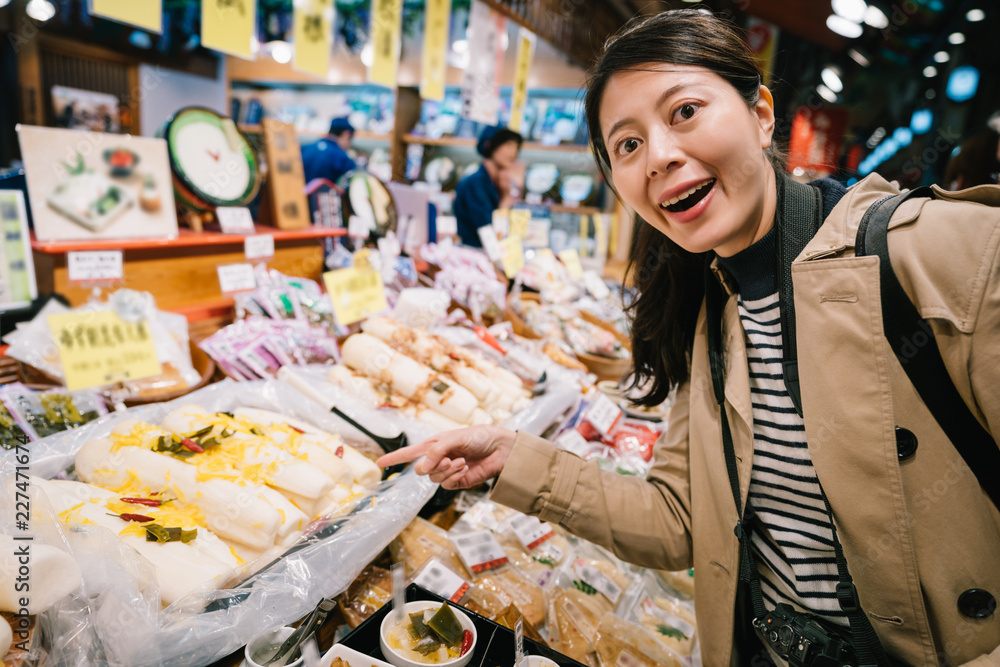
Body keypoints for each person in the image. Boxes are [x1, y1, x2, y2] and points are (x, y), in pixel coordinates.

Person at [378, 10, 1000, 666]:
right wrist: (511, 456)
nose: (662, 156)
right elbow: (678, 521)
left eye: (684, 112)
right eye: (627, 144)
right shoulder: (714, 314)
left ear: (761, 113)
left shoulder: (943, 253)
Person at [453, 125, 523, 247]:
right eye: (508, 145)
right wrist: (506, 199)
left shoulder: (498, 182)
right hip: (474, 255)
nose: (514, 153)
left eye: (517, 147)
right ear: (489, 145)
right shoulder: (474, 183)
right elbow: (490, 232)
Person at [301, 116, 357, 185]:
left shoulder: (304, 148)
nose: (350, 144)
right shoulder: (342, 158)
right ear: (346, 134)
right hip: (322, 195)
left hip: (294, 194)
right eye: (350, 139)